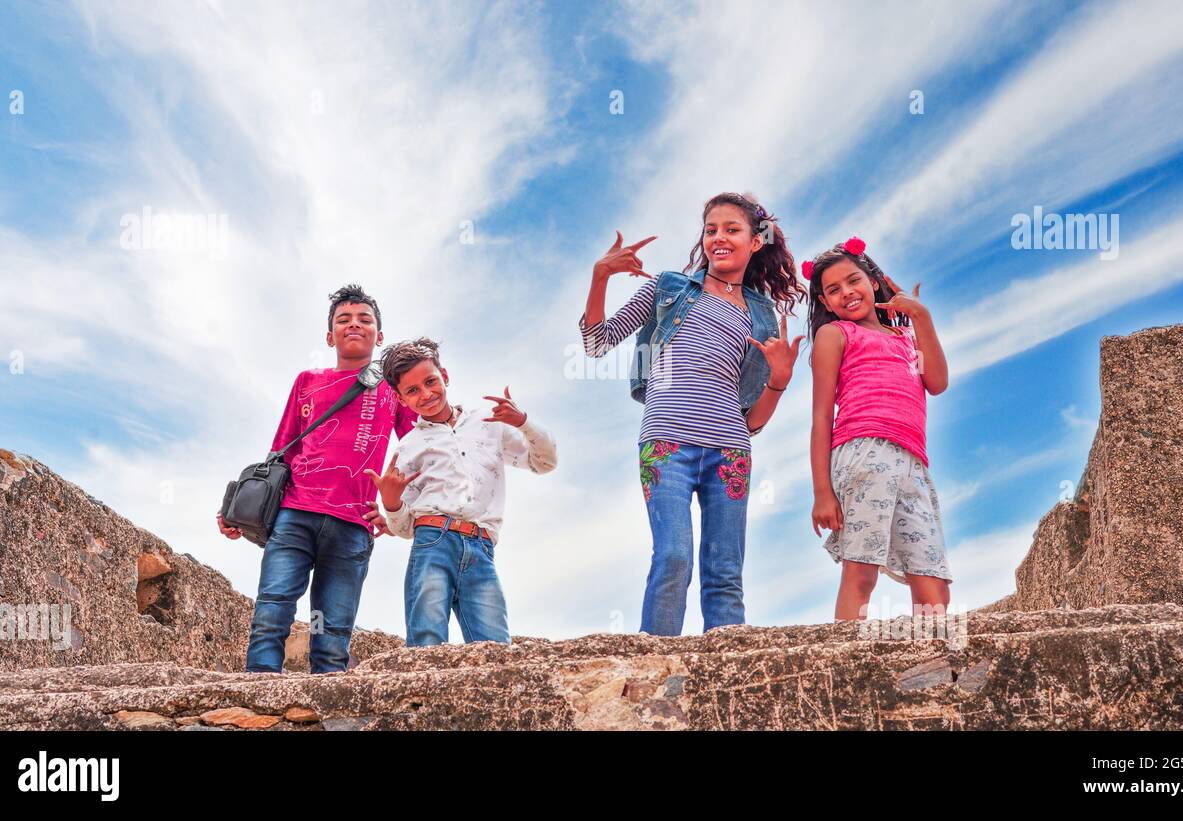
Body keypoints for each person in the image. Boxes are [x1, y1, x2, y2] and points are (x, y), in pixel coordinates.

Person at [579, 192, 804, 636]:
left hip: (730, 449)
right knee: (673, 557)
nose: (718, 238)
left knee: (724, 572)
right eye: (711, 229)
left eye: (731, 229)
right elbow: (596, 343)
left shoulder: (763, 316)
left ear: (755, 241)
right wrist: (599, 276)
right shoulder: (668, 289)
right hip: (666, 442)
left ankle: (726, 683)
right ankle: (655, 672)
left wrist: (779, 379)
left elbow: (754, 421)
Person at [218, 284, 417, 672]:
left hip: (354, 524)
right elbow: (281, 452)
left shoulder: (394, 390)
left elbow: (419, 450)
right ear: (330, 336)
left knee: (333, 635)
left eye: (365, 319)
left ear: (380, 335)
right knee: (271, 613)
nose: (354, 325)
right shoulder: (308, 381)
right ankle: (258, 694)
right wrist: (239, 510)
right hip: (295, 513)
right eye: (344, 320)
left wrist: (399, 513)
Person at [366, 337, 557, 646]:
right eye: (412, 391)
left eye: (431, 381)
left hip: (481, 547)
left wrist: (523, 422)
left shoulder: (488, 423)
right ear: (401, 400)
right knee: (426, 640)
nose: (426, 394)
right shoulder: (408, 448)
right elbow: (404, 529)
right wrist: (391, 502)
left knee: (495, 647)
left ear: (445, 375)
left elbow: (545, 462)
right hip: (432, 543)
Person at [805, 237, 953, 620]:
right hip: (862, 454)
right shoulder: (835, 335)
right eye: (833, 290)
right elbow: (822, 415)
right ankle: (845, 665)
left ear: (873, 281)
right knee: (861, 572)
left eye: (853, 281)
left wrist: (922, 317)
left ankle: (934, 670)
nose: (846, 293)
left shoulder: (906, 338)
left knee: (933, 582)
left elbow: (937, 382)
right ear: (824, 303)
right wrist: (822, 490)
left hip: (913, 462)